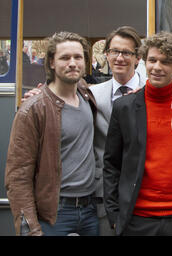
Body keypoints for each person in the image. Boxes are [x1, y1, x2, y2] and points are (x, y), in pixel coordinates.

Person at [103, 31, 172, 236]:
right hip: (136, 219)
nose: (157, 67)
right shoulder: (124, 107)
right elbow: (111, 164)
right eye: (152, 60)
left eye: (165, 62)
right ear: (144, 62)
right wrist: (114, 216)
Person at [5, 31, 98, 236]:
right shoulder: (33, 109)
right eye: (65, 58)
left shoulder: (86, 95)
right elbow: (18, 177)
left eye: (78, 57)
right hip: (54, 214)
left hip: (90, 210)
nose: (72, 63)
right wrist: (30, 229)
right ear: (52, 63)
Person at [89, 26, 146, 235]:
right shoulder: (91, 95)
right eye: (114, 51)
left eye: (127, 53)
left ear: (138, 58)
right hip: (103, 197)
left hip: (142, 196)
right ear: (106, 54)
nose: (120, 58)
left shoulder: (151, 94)